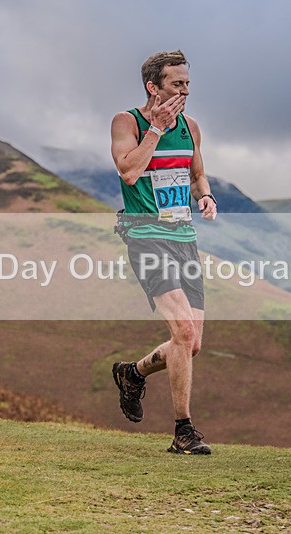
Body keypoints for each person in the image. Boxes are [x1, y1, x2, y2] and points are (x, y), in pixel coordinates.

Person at [110, 50, 217, 454]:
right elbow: (129, 171)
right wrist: (154, 129)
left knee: (191, 344)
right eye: (177, 83)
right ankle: (183, 432)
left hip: (184, 238)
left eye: (188, 83)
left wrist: (205, 196)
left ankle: (133, 373)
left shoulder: (191, 127)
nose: (185, 90)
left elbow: (197, 172)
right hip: (145, 236)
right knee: (183, 331)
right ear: (154, 87)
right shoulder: (128, 122)